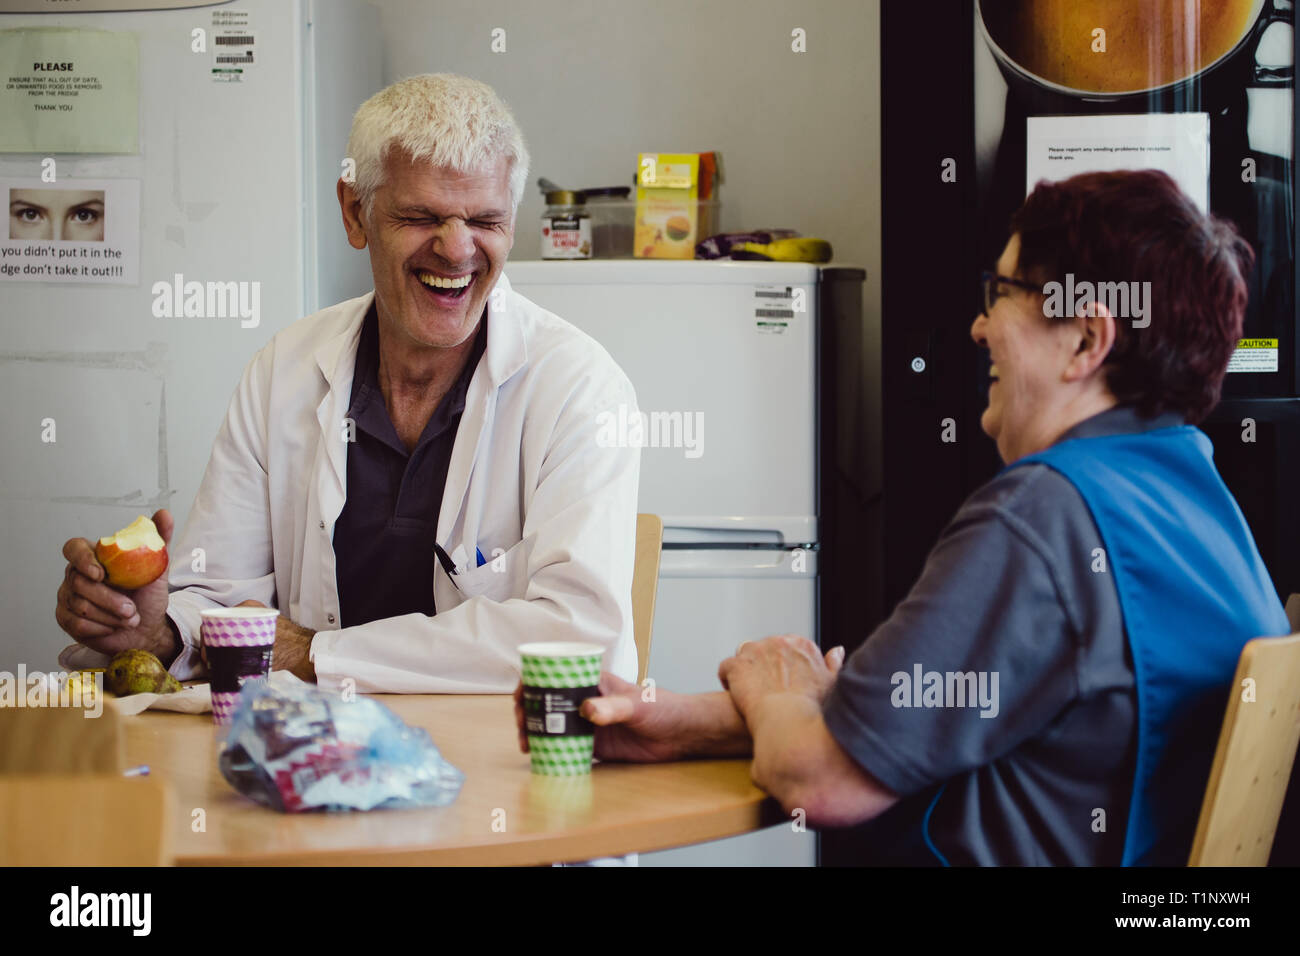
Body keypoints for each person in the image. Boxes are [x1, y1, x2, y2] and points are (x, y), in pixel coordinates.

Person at [520, 169, 1292, 865]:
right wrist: (688, 721)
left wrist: (777, 685)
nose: (978, 328)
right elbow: (938, 714)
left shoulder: (1045, 514)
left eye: (1002, 293)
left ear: (1087, 337)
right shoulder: (1194, 504)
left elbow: (820, 783)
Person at [54, 73, 640, 692]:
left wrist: (315, 655)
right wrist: (160, 629)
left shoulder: (578, 388)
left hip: (503, 768)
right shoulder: (283, 370)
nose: (457, 249)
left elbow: (581, 641)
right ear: (354, 211)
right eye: (421, 216)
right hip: (301, 762)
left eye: (485, 220)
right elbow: (221, 597)